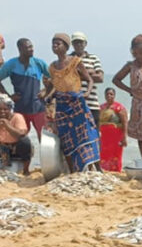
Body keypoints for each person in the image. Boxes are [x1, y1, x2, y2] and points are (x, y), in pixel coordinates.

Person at [45, 33, 101, 172]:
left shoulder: (75, 61)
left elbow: (89, 79)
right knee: (67, 138)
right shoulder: (52, 67)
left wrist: (86, 93)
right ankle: (73, 171)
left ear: (66, 46)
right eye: (53, 44)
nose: (55, 46)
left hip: (77, 104)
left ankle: (95, 168)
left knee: (86, 135)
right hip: (62, 106)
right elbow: (55, 86)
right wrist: (48, 95)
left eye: (58, 43)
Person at [0, 38, 51, 141]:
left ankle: (42, 157)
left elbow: (54, 78)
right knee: (20, 137)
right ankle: (25, 156)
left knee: (43, 137)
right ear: (20, 49)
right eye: (28, 47)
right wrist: (9, 96)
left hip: (38, 107)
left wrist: (46, 91)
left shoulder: (38, 63)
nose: (31, 49)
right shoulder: (12, 64)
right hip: (20, 108)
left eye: (32, 47)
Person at [70, 32, 104, 126]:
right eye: (76, 42)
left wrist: (78, 73)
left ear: (85, 43)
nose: (78, 45)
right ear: (72, 44)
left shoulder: (93, 58)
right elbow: (66, 78)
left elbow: (100, 78)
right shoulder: (68, 59)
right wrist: (89, 72)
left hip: (92, 103)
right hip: (73, 104)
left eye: (81, 42)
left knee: (93, 133)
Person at [99, 88, 128, 172]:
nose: (109, 96)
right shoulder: (101, 107)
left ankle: (116, 170)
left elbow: (125, 122)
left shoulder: (119, 107)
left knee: (116, 154)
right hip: (104, 136)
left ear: (114, 95)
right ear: (104, 95)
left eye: (111, 94)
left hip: (116, 136)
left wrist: (124, 137)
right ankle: (104, 170)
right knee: (104, 153)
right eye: (107, 94)